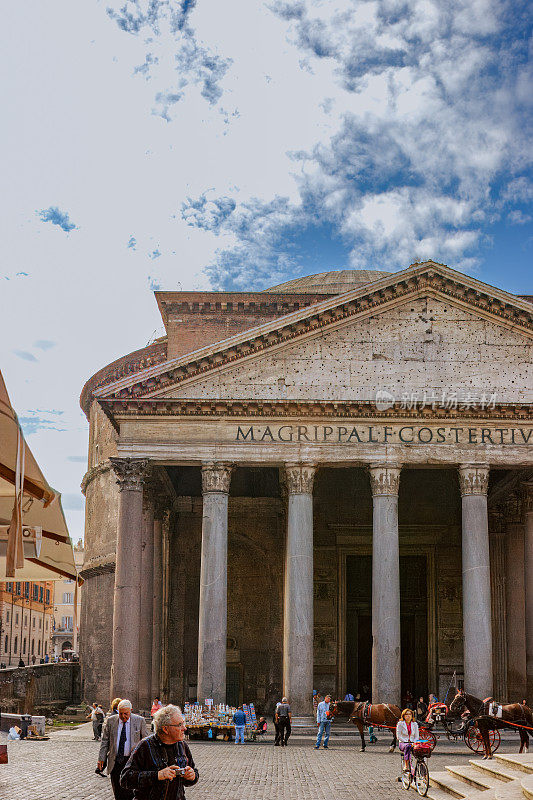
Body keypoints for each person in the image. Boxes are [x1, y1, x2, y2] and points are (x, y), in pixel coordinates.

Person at [120, 704, 198, 800]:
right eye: (179, 725)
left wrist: (192, 776)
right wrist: (157, 775)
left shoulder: (182, 745)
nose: (184, 728)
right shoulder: (145, 746)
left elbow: (193, 772)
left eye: (183, 723)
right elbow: (125, 778)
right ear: (165, 729)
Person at [97, 699, 148, 799]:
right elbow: (105, 741)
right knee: (118, 792)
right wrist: (101, 758)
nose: (123, 716)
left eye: (126, 713)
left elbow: (145, 742)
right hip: (116, 762)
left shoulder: (139, 720)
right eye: (121, 713)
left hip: (132, 762)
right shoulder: (111, 721)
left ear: (131, 710)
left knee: (131, 792)